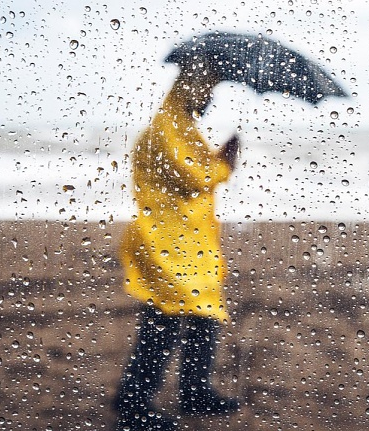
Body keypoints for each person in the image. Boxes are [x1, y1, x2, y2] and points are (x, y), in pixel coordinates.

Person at [114, 69, 240, 431]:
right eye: (206, 89)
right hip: (164, 242)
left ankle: (195, 391)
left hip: (188, 241)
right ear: (191, 88)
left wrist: (217, 160)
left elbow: (194, 170)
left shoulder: (181, 126)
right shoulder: (167, 126)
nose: (209, 97)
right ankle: (134, 404)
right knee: (164, 319)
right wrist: (224, 162)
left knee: (205, 314)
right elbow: (192, 176)